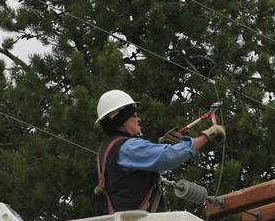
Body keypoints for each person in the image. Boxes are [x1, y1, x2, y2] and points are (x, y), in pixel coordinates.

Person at [94, 89, 225, 214]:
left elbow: (144, 166)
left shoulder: (108, 149)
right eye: (134, 115)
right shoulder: (128, 147)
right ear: (122, 121)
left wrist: (161, 145)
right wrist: (207, 135)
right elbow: (167, 157)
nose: (139, 119)